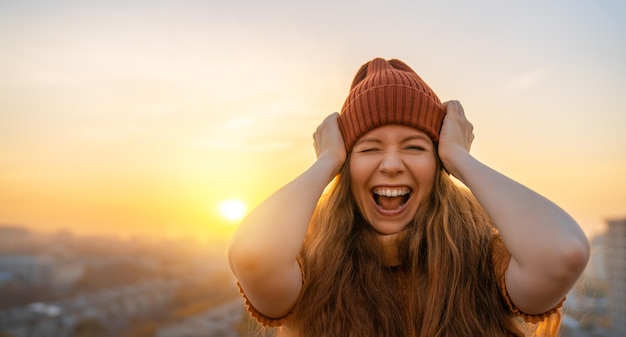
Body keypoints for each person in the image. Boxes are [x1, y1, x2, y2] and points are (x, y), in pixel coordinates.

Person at [228, 58, 590, 337]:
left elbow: (563, 253)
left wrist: (461, 158)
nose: (390, 164)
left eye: (415, 147)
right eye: (369, 148)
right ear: (345, 165)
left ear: (439, 163)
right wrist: (326, 161)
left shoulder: (483, 256)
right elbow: (253, 256)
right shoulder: (314, 263)